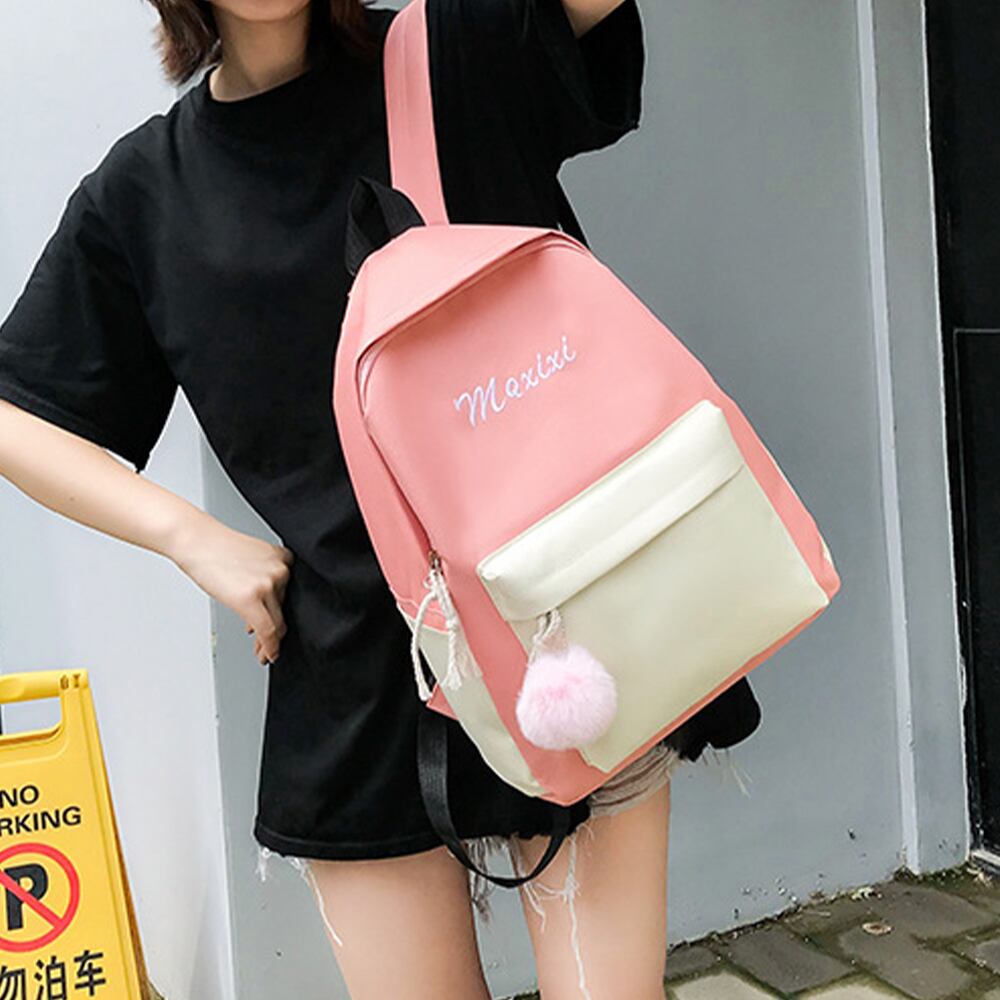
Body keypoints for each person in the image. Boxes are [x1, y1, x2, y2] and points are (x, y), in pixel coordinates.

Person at [0, 0, 762, 996]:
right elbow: (21, 415)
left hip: (561, 624)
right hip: (355, 675)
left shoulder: (449, 56)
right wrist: (191, 537)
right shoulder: (145, 192)